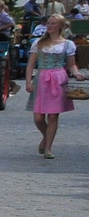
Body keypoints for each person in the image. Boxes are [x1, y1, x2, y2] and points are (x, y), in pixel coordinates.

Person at [26, 14, 83, 158]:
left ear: (60, 26)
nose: (49, 26)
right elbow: (31, 64)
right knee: (38, 118)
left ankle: (48, 149)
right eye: (48, 23)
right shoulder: (39, 42)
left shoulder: (67, 44)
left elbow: (71, 65)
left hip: (58, 79)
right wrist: (28, 81)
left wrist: (77, 74)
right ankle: (46, 137)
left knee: (52, 116)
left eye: (53, 23)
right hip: (41, 79)